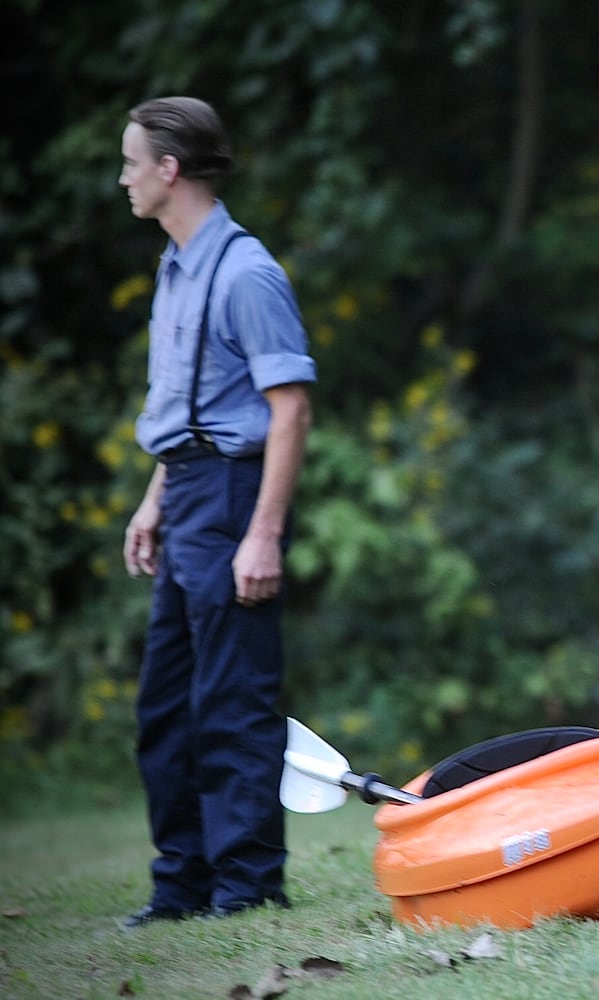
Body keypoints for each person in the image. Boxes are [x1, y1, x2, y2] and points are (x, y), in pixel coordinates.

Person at [117, 97, 316, 928]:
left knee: (232, 701)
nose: (122, 177)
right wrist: (154, 499)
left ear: (170, 170)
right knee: (165, 706)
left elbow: (290, 408)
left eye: (131, 161)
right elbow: (191, 409)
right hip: (187, 493)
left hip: (235, 501)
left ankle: (244, 889)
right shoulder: (174, 267)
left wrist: (261, 534)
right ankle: (182, 888)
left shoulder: (246, 273)